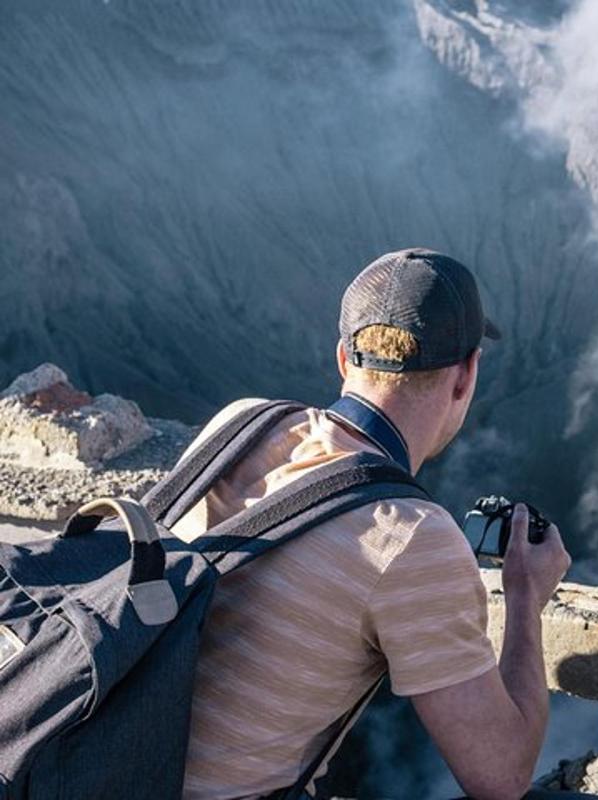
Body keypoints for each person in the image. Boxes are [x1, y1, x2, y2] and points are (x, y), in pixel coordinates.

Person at [169, 249, 573, 800]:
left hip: (106, 768)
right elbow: (499, 778)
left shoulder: (239, 423)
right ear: (466, 375)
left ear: (342, 359)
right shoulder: (409, 535)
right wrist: (525, 599)